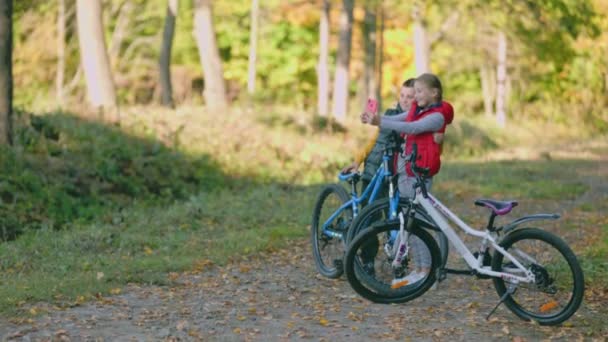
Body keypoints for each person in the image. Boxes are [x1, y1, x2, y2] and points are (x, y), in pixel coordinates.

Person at [362, 73, 454, 288]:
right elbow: (401, 119)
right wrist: (377, 120)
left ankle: (425, 271)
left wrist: (380, 121)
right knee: (409, 223)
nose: (415, 97)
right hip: (410, 170)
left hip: (419, 173)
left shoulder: (436, 116)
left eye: (419, 92)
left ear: (434, 93)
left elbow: (412, 128)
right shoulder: (419, 110)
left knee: (413, 224)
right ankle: (422, 270)